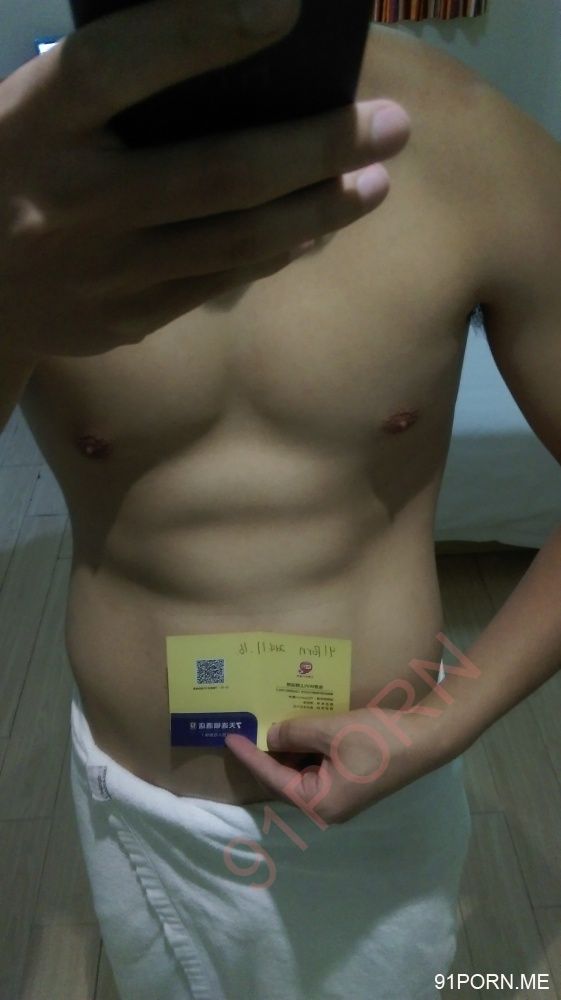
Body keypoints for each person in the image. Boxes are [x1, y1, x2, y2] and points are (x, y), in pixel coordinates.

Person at [2, 1, 560, 998]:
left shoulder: (479, 145)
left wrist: (447, 722)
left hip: (383, 798)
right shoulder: (25, 184)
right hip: (142, 808)